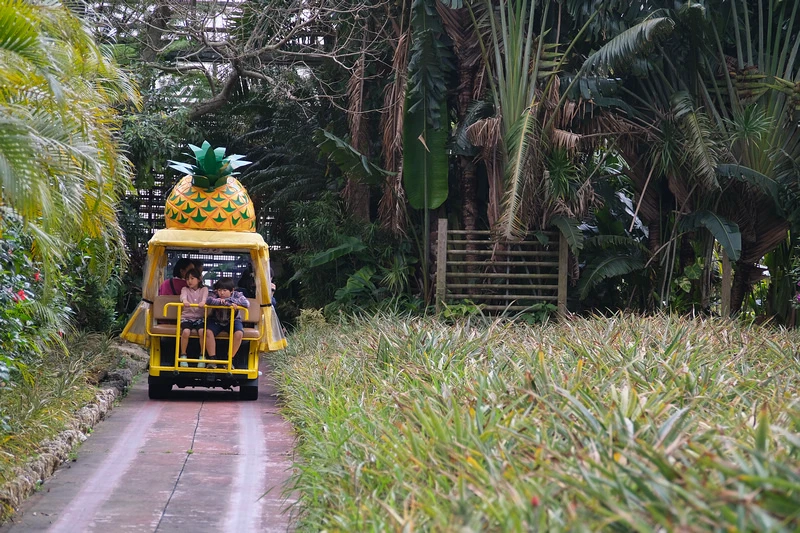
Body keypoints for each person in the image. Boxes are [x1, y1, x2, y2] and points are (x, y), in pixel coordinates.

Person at [205, 278, 250, 365]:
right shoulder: (214, 294)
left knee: (239, 333)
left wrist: (229, 301)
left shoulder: (237, 294)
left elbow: (246, 303)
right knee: (208, 332)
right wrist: (226, 303)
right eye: (219, 290)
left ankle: (230, 359)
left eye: (224, 290)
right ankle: (212, 359)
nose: (221, 293)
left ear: (232, 290)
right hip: (216, 320)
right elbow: (209, 300)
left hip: (233, 320)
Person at [178, 269, 208, 368]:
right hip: (187, 317)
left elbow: (204, 298)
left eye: (192, 278)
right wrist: (185, 301)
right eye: (187, 279)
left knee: (202, 332)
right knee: (186, 332)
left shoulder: (204, 289)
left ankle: (202, 355)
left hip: (200, 317)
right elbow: (183, 297)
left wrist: (203, 302)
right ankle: (183, 355)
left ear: (199, 279)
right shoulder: (184, 289)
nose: (189, 281)